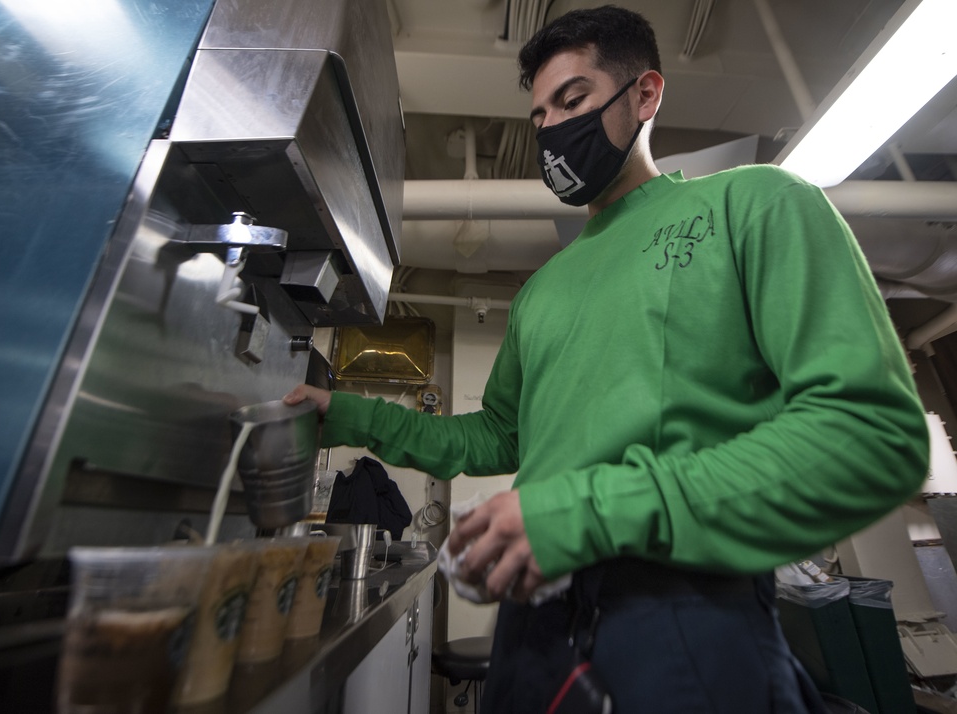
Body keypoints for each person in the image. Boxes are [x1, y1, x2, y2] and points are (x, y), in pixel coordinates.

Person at [286, 6, 929, 712]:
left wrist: (584, 511)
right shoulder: (542, 291)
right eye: (538, 118)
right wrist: (344, 414)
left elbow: (870, 434)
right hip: (532, 627)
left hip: (680, 611)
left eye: (574, 100)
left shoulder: (755, 204)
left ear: (645, 95)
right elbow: (494, 436)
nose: (553, 130)